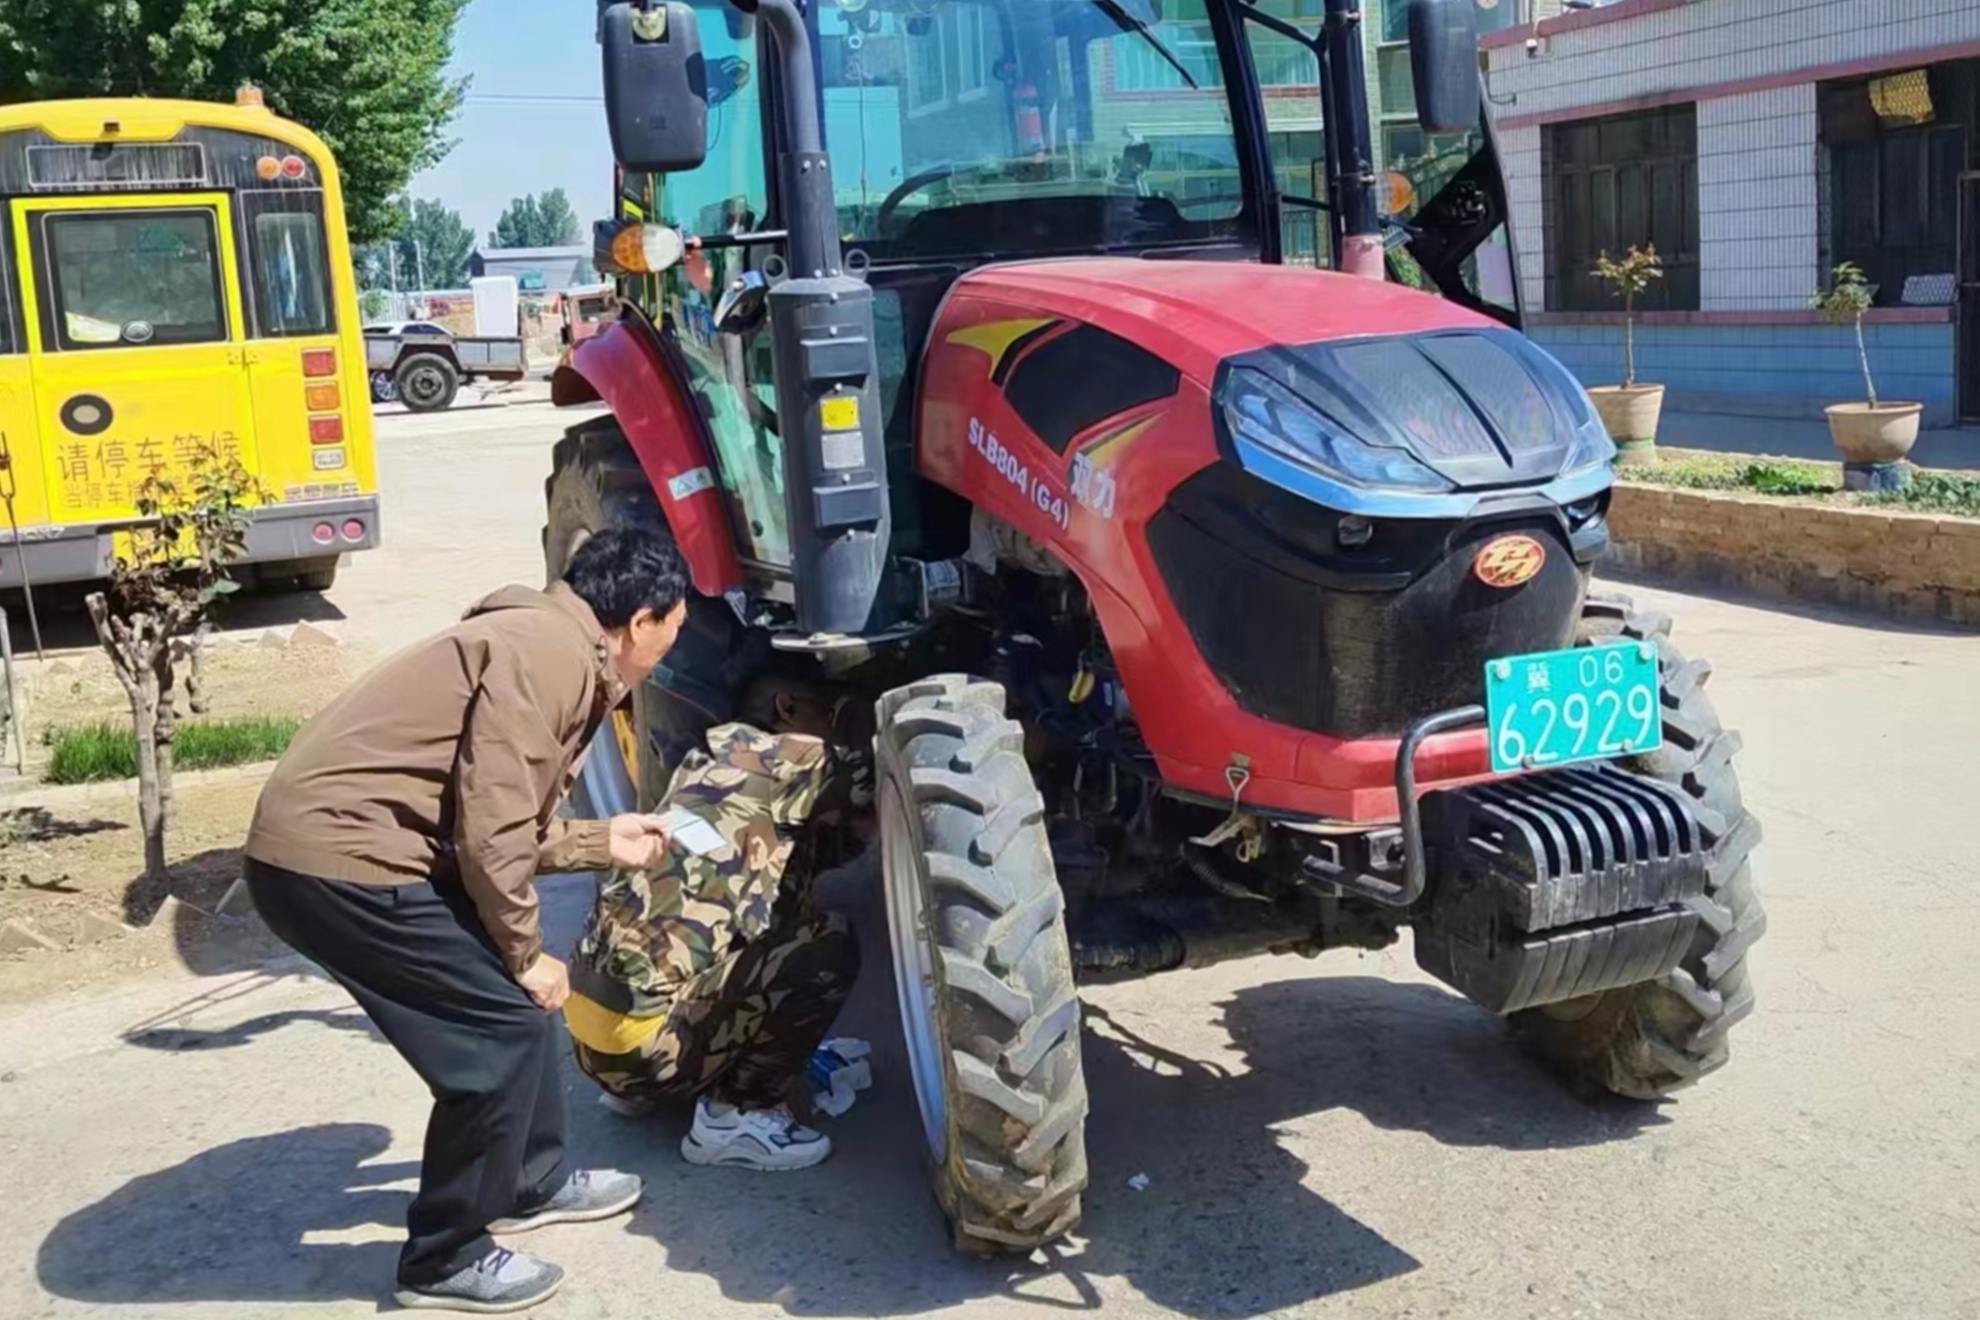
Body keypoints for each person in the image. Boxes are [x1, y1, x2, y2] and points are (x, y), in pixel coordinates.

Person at [243, 527, 691, 1315]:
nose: (666, 652)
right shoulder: (546, 655)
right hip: (335, 862)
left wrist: (597, 840)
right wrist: (522, 952)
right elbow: (489, 829)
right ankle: (444, 1256)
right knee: (498, 1030)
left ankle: (529, 1178)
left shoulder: (546, 639)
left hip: (359, 847)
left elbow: (491, 818)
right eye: (672, 632)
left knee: (519, 1011)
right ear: (640, 622)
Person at [564, 676, 868, 1171]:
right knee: (827, 945)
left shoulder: (703, 771)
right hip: (653, 1054)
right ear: (786, 705)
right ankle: (737, 1117)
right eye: (836, 717)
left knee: (768, 915)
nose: (841, 736)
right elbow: (891, 779)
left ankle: (651, 1084)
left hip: (600, 1056)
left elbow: (780, 878)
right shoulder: (791, 755)